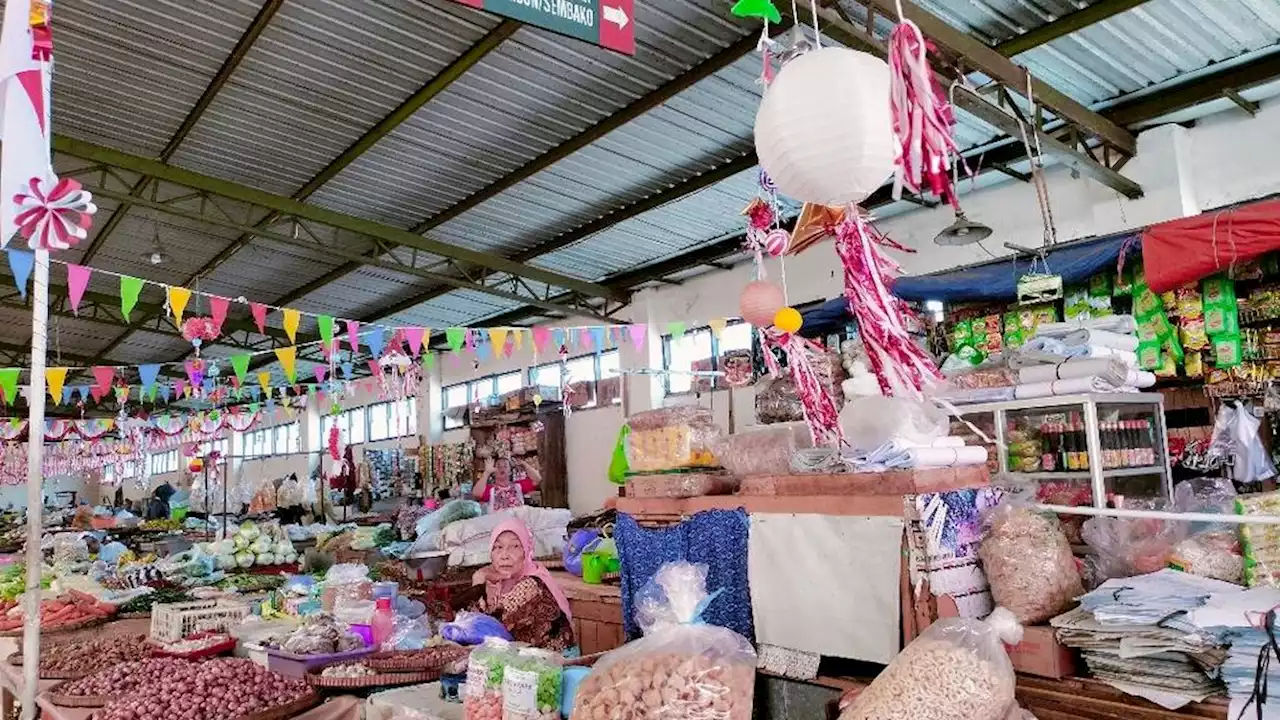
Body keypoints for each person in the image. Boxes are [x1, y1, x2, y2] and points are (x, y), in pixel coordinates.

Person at [456, 518, 574, 652]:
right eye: (498, 547)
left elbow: (485, 630)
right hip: (521, 658)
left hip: (551, 663)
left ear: (527, 551)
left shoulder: (531, 584)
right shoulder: (497, 583)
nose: (504, 555)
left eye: (515, 546)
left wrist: (478, 580)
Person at [472, 456, 540, 512]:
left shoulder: (518, 486)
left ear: (510, 472)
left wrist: (524, 464)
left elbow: (537, 479)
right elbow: (476, 493)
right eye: (498, 466)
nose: (502, 468)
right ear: (493, 473)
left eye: (505, 466)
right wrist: (486, 472)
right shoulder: (490, 490)